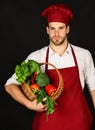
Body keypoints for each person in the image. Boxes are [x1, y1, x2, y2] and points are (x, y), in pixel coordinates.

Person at [4, 3, 95, 130]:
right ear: (47, 30)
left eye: (61, 28)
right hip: (47, 124)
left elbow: (93, 89)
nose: (56, 33)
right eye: (52, 28)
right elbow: (9, 85)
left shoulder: (84, 55)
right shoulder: (37, 57)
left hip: (79, 122)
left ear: (68, 29)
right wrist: (29, 104)